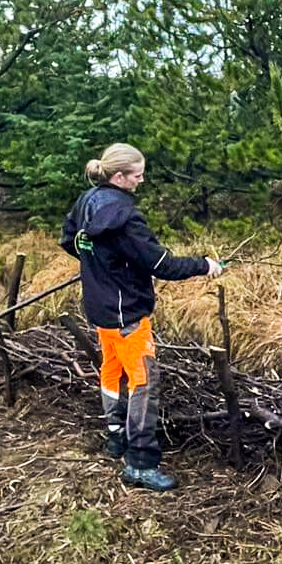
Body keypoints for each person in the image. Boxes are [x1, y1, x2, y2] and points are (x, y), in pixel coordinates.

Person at [59, 142, 222, 491]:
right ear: (119, 177)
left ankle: (115, 437)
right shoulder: (125, 218)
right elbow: (161, 264)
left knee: (110, 372)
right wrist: (203, 264)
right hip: (128, 315)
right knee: (144, 384)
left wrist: (99, 266)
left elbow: (68, 239)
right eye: (137, 175)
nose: (142, 180)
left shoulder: (87, 201)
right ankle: (140, 463)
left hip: (100, 309)